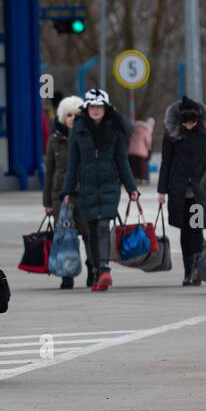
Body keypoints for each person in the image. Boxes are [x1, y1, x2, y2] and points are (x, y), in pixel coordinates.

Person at [60, 88, 140, 292]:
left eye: (99, 107)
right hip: (86, 187)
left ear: (106, 109)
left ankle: (104, 269)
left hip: (109, 186)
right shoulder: (78, 130)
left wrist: (132, 188)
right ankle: (96, 271)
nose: (96, 111)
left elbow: (123, 161)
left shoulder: (115, 130)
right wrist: (67, 192)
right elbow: (73, 163)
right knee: (92, 229)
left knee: (104, 226)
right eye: (92, 107)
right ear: (86, 109)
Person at [157, 97, 206, 286]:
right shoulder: (172, 134)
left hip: (200, 191)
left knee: (196, 229)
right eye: (186, 122)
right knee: (185, 232)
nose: (190, 125)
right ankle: (188, 270)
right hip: (179, 190)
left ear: (199, 120)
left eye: (193, 122)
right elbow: (166, 162)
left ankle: (196, 269)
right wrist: (161, 191)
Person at [43, 95, 91, 288]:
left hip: (85, 194)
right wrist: (47, 201)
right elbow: (49, 172)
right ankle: (67, 274)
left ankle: (94, 268)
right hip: (60, 197)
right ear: (63, 117)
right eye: (68, 115)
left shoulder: (87, 137)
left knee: (89, 234)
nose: (72, 118)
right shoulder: (54, 141)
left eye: (76, 114)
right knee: (64, 235)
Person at [128, 116, 155, 183]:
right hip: (141, 152)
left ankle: (134, 179)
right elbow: (148, 142)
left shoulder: (133, 129)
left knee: (133, 167)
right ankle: (142, 180)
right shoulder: (146, 130)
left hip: (131, 151)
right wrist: (149, 149)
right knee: (142, 167)